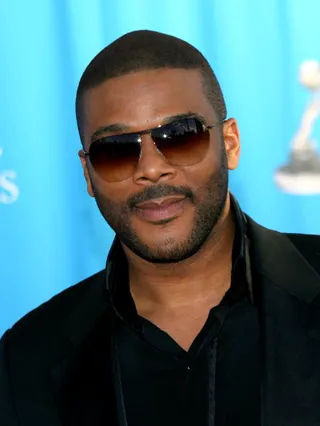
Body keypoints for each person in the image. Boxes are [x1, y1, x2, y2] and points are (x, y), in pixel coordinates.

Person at [1, 30, 320, 426]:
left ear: (231, 143)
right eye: (116, 150)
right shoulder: (28, 357)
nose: (151, 169)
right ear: (88, 173)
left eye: (181, 137)